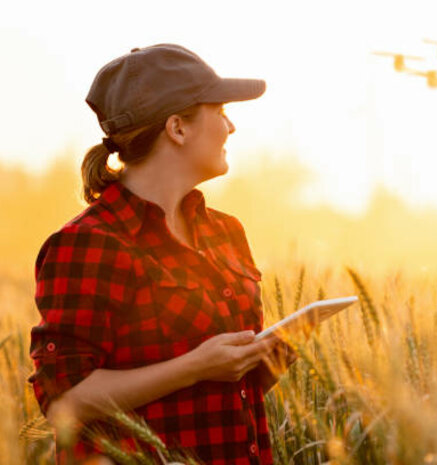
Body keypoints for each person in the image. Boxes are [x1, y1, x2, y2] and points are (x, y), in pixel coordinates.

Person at [28, 43, 297, 465]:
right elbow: (66, 403)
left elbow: (218, 394)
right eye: (221, 111)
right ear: (178, 128)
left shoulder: (225, 232)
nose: (231, 127)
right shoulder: (90, 244)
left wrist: (259, 362)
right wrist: (196, 366)